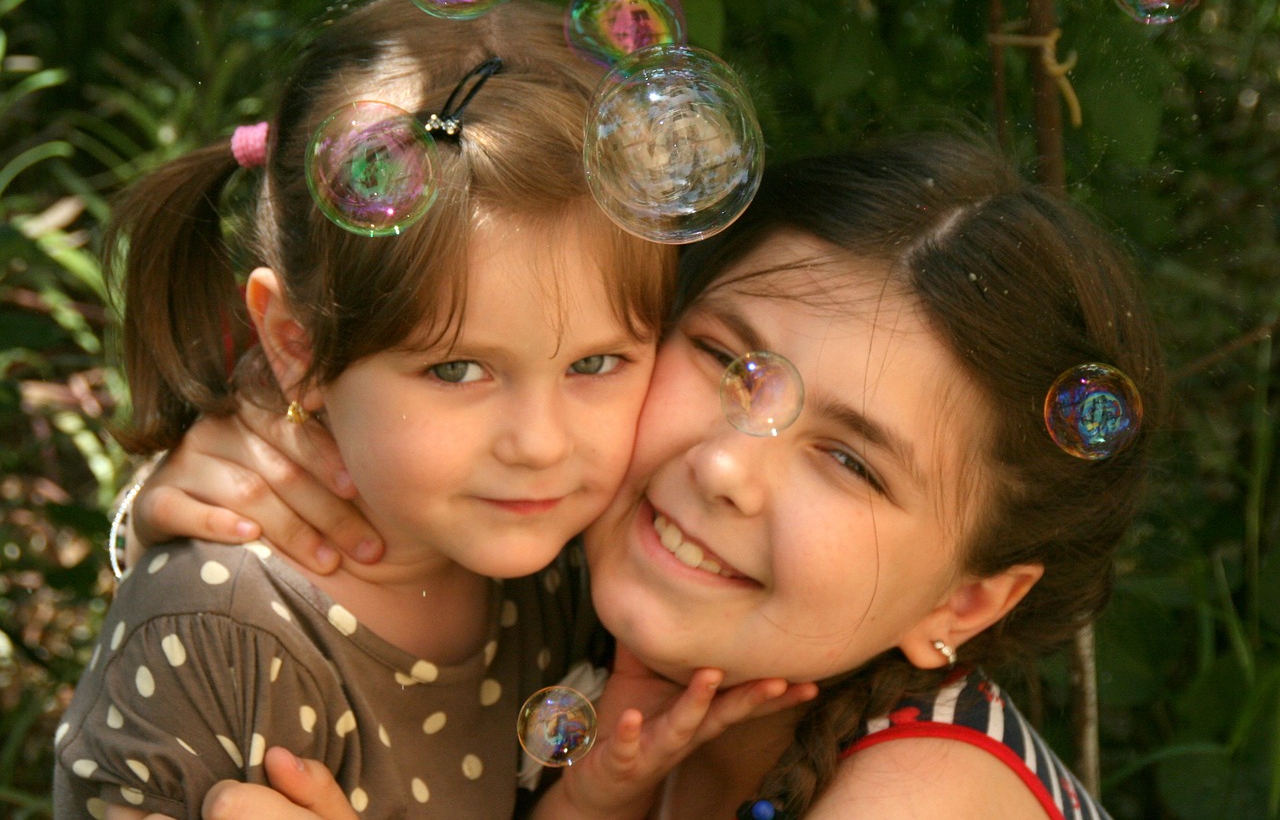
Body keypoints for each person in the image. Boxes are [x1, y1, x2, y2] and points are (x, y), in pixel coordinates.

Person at [121, 131, 1164, 820]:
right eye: (725, 361)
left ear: (965, 599)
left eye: (848, 461)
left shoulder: (925, 799)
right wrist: (238, 508)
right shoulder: (559, 591)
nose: (723, 468)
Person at [53, 0, 808, 820]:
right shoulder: (222, 630)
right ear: (293, 347)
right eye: (456, 370)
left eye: (595, 362)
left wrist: (592, 802)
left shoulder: (574, 567)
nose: (539, 443)